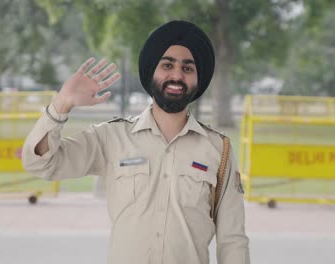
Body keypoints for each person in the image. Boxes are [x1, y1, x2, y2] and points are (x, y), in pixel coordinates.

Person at [22, 20, 250, 264]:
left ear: (198, 79)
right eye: (167, 65)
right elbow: (42, 163)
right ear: (152, 71)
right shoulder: (112, 138)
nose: (176, 75)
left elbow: (232, 240)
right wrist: (62, 104)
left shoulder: (218, 150)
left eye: (188, 68)